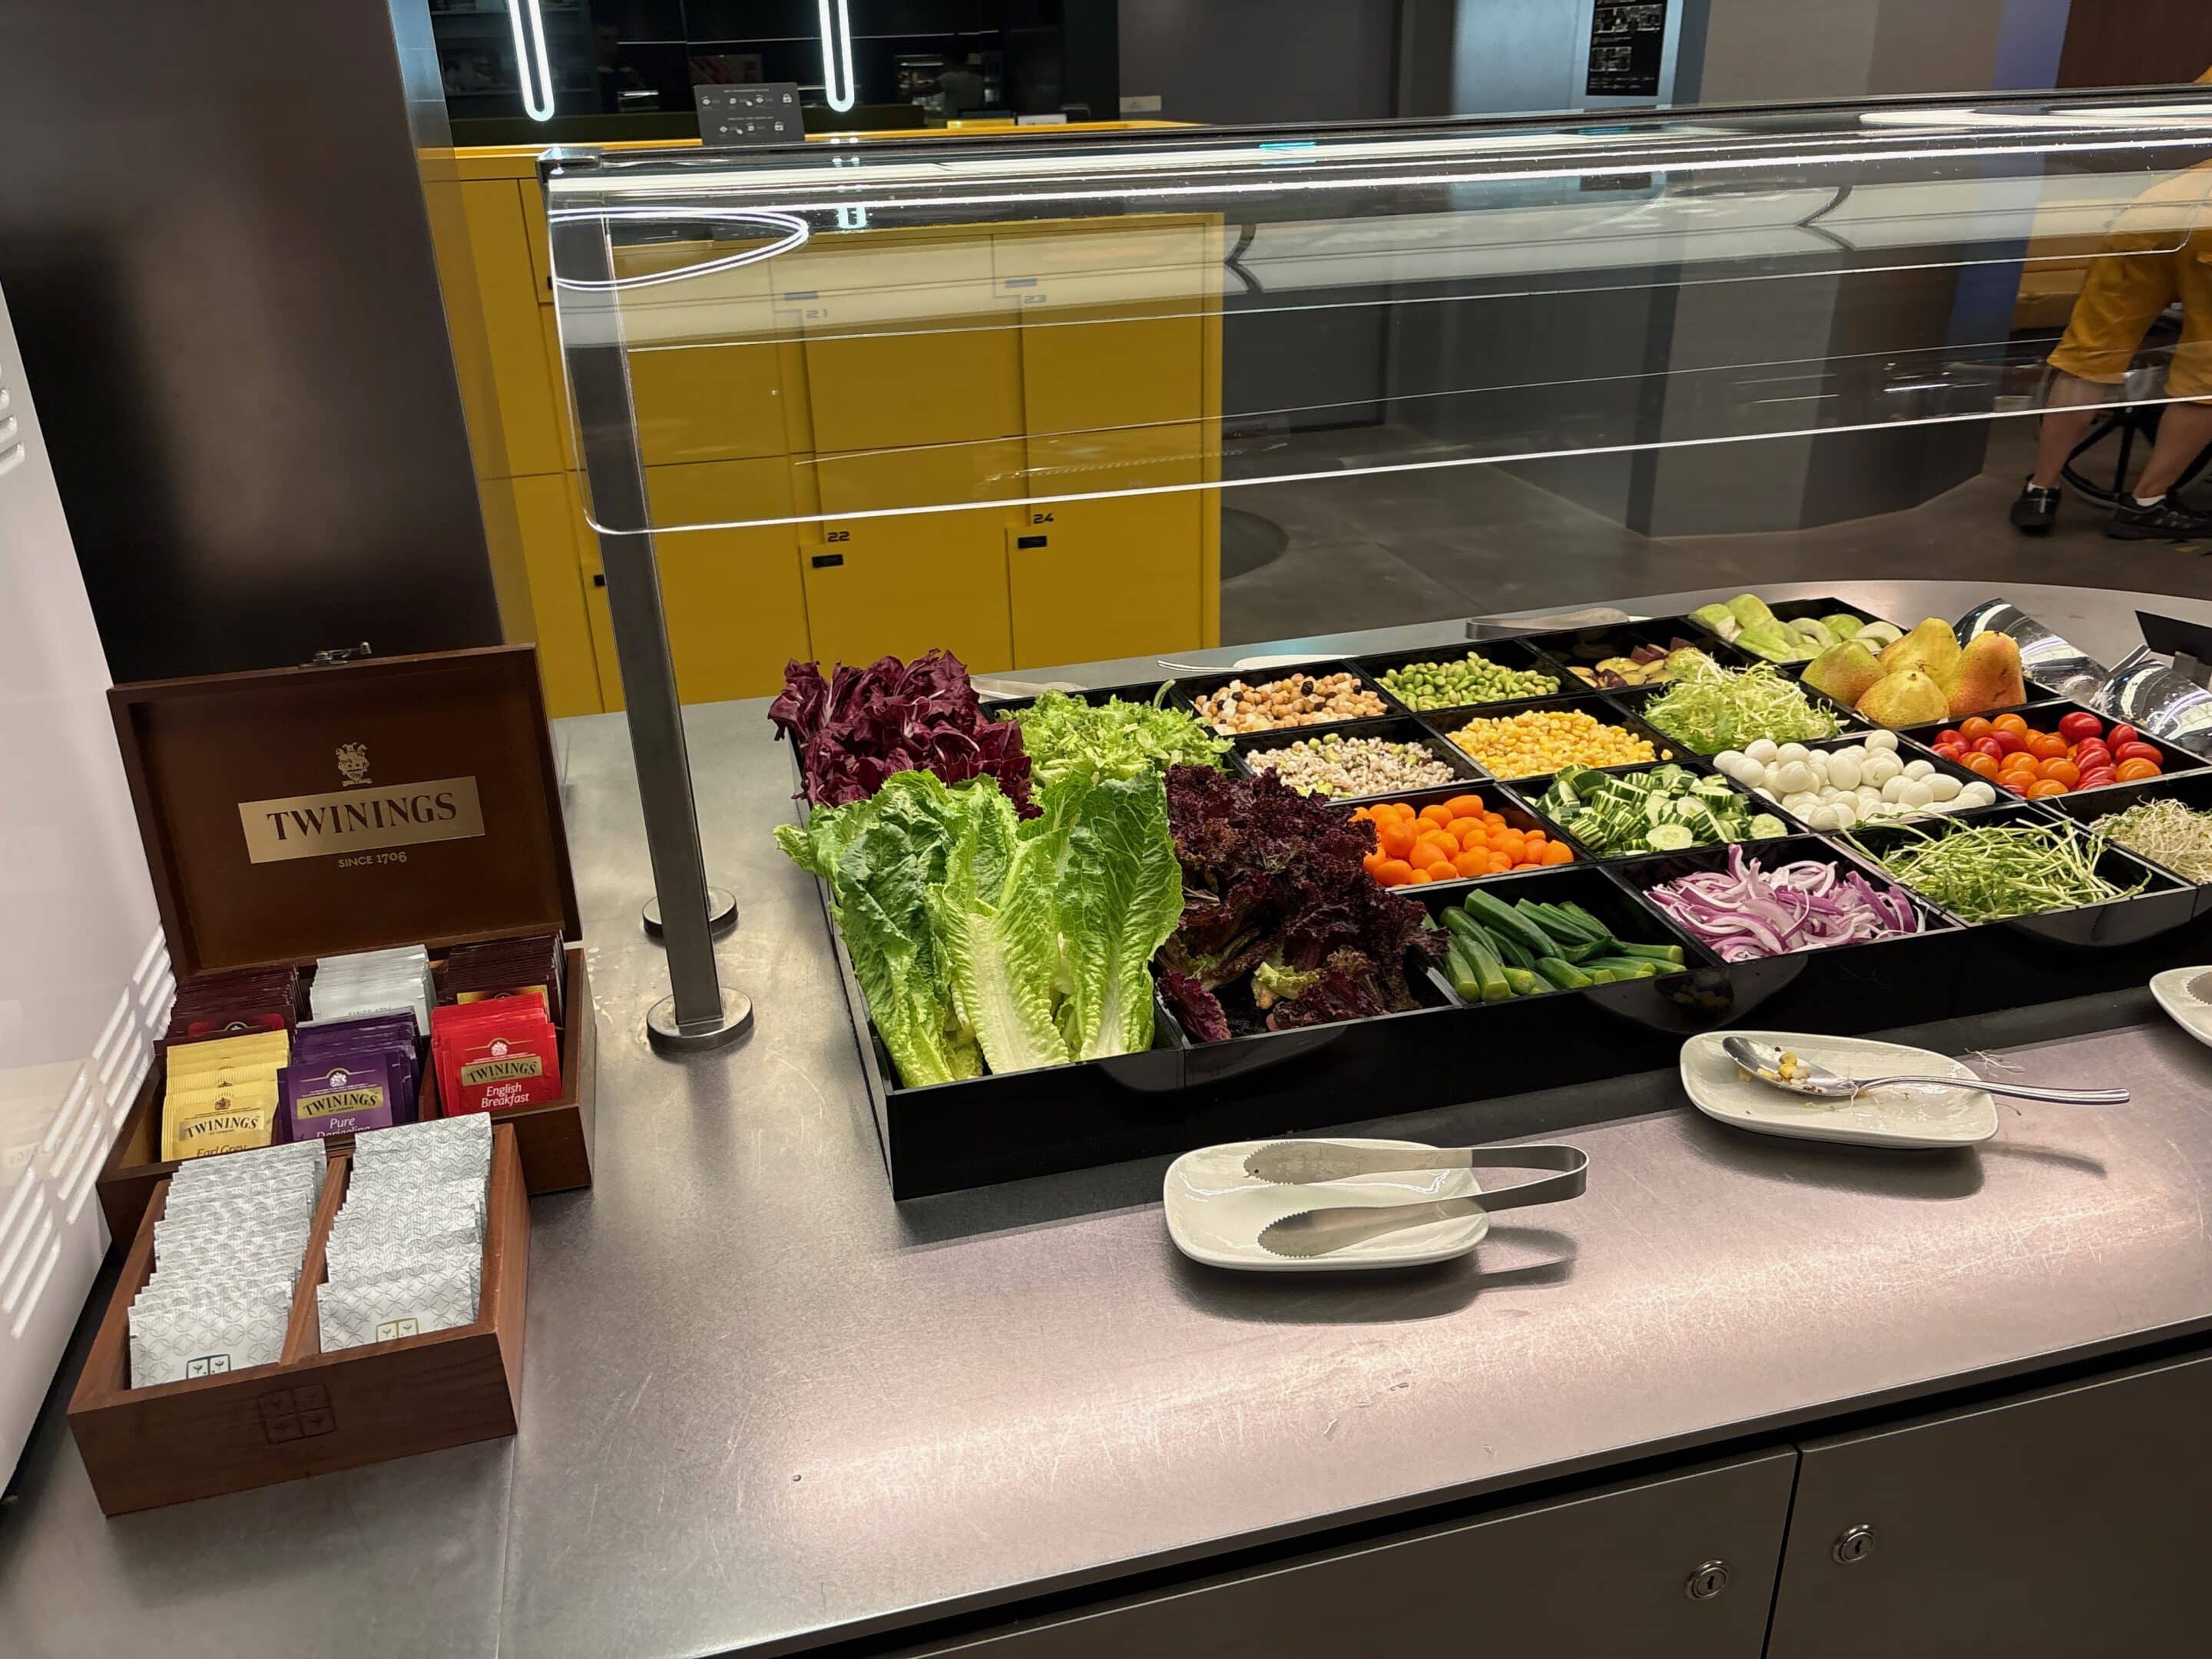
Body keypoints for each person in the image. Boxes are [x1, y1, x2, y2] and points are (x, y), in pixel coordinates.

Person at [2014, 68, 2212, 541]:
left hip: (2161, 204)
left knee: (2090, 355)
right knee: (2207, 373)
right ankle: (2146, 502)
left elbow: (2186, 119)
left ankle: (2042, 489)